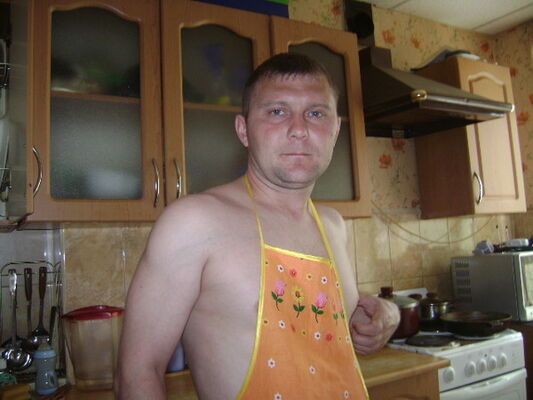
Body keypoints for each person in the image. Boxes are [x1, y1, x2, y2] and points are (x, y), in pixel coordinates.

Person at [116, 53, 400, 400]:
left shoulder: (333, 225)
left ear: (336, 130)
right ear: (243, 130)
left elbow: (328, 322)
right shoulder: (195, 222)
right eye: (277, 111)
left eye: (316, 113)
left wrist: (388, 314)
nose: (299, 129)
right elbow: (136, 375)